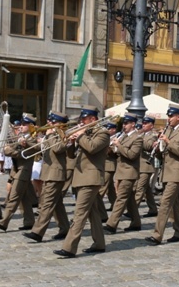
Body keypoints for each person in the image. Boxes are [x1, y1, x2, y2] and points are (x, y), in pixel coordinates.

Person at [54, 106, 110, 257]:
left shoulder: (103, 133)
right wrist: (71, 143)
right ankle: (99, 243)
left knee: (79, 214)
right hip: (80, 177)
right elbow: (72, 156)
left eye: (84, 119)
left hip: (91, 178)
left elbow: (92, 148)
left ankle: (69, 248)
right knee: (93, 214)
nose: (81, 122)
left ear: (93, 119)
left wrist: (79, 136)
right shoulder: (87, 133)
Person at [145, 104, 179, 245]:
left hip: (176, 173)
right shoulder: (168, 130)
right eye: (168, 116)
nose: (169, 119)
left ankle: (157, 235)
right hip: (167, 172)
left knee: (164, 203)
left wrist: (168, 142)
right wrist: (157, 147)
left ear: (178, 117)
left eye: (171, 116)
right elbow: (164, 153)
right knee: (175, 205)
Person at [23, 111, 72, 242]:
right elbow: (42, 148)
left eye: (53, 122)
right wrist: (27, 143)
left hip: (56, 173)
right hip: (49, 172)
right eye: (50, 121)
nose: (49, 123)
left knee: (47, 204)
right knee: (57, 204)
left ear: (60, 123)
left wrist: (49, 136)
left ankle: (37, 232)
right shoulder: (52, 135)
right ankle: (65, 228)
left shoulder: (62, 134)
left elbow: (58, 148)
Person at [0, 113, 38, 231]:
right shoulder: (21, 137)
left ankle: (4, 222)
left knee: (14, 196)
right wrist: (7, 149)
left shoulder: (33, 138)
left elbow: (22, 154)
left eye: (24, 124)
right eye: (21, 124)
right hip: (17, 170)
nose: (21, 126)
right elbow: (11, 150)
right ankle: (29, 221)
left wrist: (8, 150)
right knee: (24, 198)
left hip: (24, 171)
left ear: (31, 125)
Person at [104, 113, 143, 234]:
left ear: (133, 124)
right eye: (123, 124)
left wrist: (118, 145)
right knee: (130, 199)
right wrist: (109, 148)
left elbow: (132, 155)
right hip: (121, 171)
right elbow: (117, 154)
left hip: (129, 172)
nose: (124, 126)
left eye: (126, 123)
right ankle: (136, 222)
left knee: (120, 199)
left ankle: (111, 224)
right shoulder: (124, 136)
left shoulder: (137, 138)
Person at [134, 116, 159, 217]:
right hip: (139, 165)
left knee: (139, 189)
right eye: (143, 123)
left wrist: (137, 138)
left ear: (151, 125)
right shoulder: (141, 134)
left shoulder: (152, 136)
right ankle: (153, 209)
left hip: (146, 166)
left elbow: (148, 146)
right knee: (147, 189)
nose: (143, 125)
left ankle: (133, 209)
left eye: (146, 123)